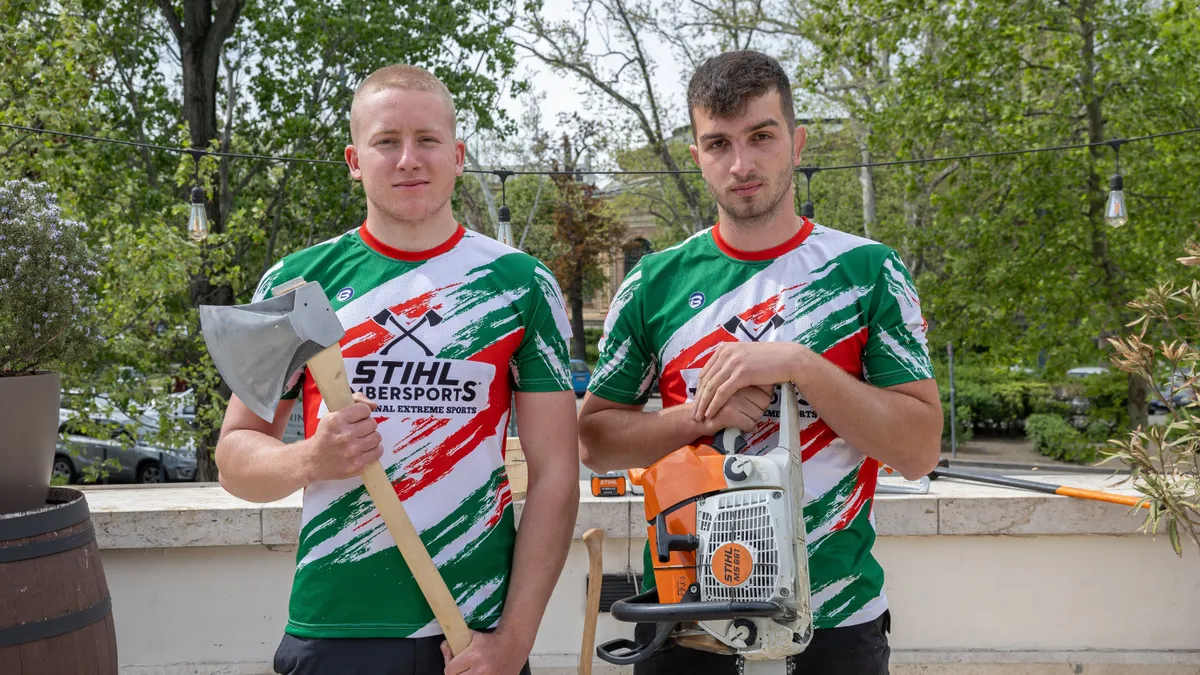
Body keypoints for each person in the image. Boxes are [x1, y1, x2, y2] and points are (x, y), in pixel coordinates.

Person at [578, 50, 943, 675]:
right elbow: (596, 442)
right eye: (718, 143)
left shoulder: (866, 272)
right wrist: (700, 417)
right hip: (687, 616)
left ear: (796, 143)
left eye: (761, 137)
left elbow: (918, 452)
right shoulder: (653, 283)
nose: (741, 164)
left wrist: (803, 366)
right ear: (697, 157)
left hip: (834, 618)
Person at [214, 64, 580, 675]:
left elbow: (557, 477)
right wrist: (311, 459)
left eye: (427, 139)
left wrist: (515, 639)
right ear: (355, 160)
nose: (409, 159)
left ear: (457, 155)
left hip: (472, 634)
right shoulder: (298, 286)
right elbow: (234, 460)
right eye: (387, 141)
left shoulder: (520, 284)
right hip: (337, 627)